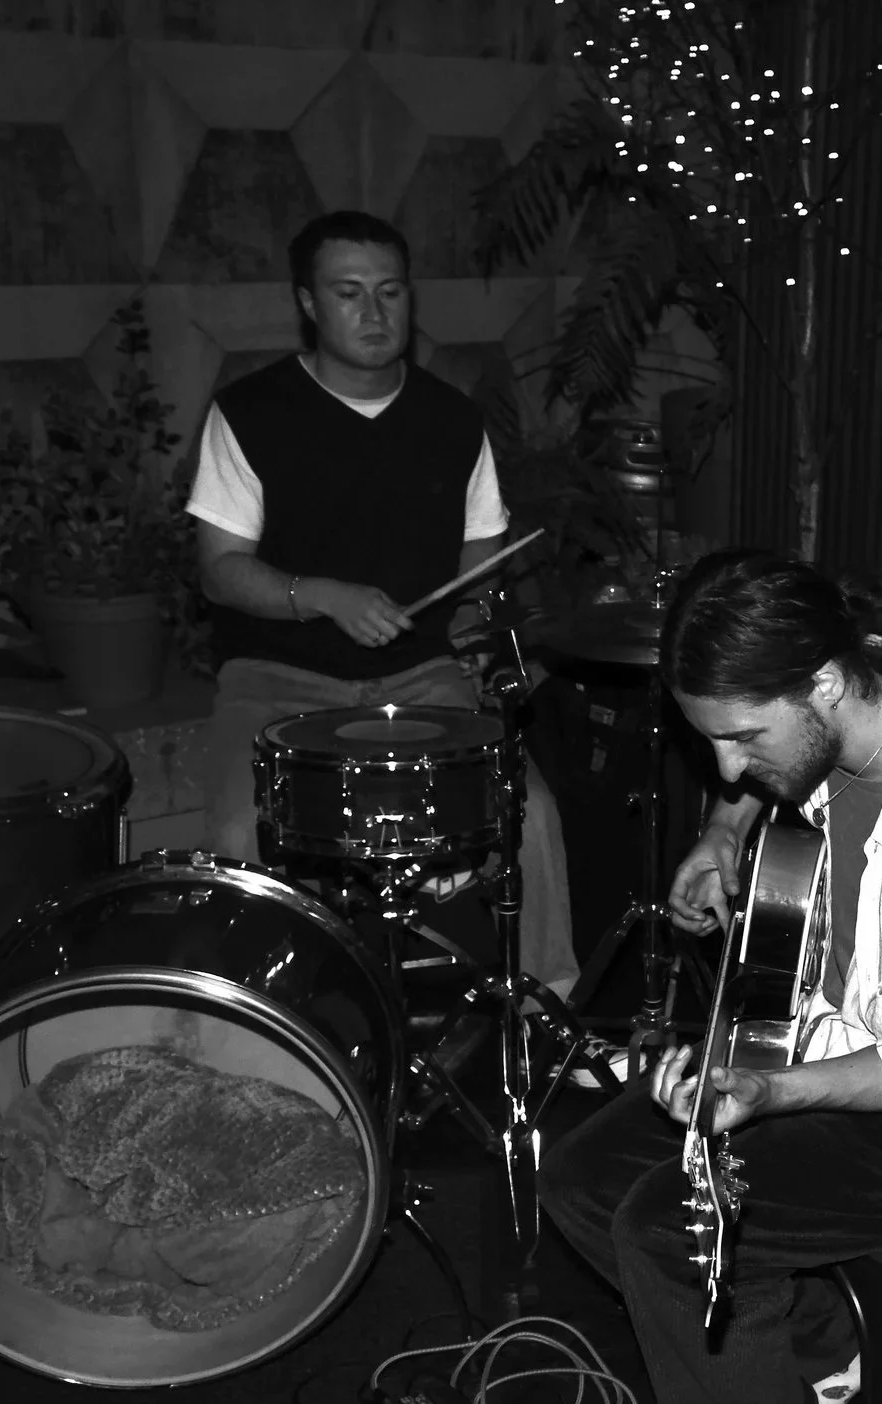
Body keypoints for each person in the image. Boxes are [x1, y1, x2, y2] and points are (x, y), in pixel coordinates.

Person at [541, 549, 882, 1404]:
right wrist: (724, 832)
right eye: (712, 739)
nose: (726, 769)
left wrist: (769, 1094)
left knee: (672, 1235)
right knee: (581, 1180)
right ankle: (819, 1357)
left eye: (742, 739)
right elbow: (764, 762)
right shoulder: (856, 675)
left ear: (826, 686)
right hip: (840, 1034)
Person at [185, 209, 576, 997]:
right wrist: (320, 596)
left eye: (390, 291)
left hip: (420, 675)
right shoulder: (249, 412)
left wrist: (474, 624)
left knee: (527, 813)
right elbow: (219, 571)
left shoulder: (452, 419)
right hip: (272, 678)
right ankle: (258, 1028)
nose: (373, 312)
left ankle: (541, 1014)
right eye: (348, 293)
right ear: (308, 302)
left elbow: (479, 557)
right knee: (237, 830)